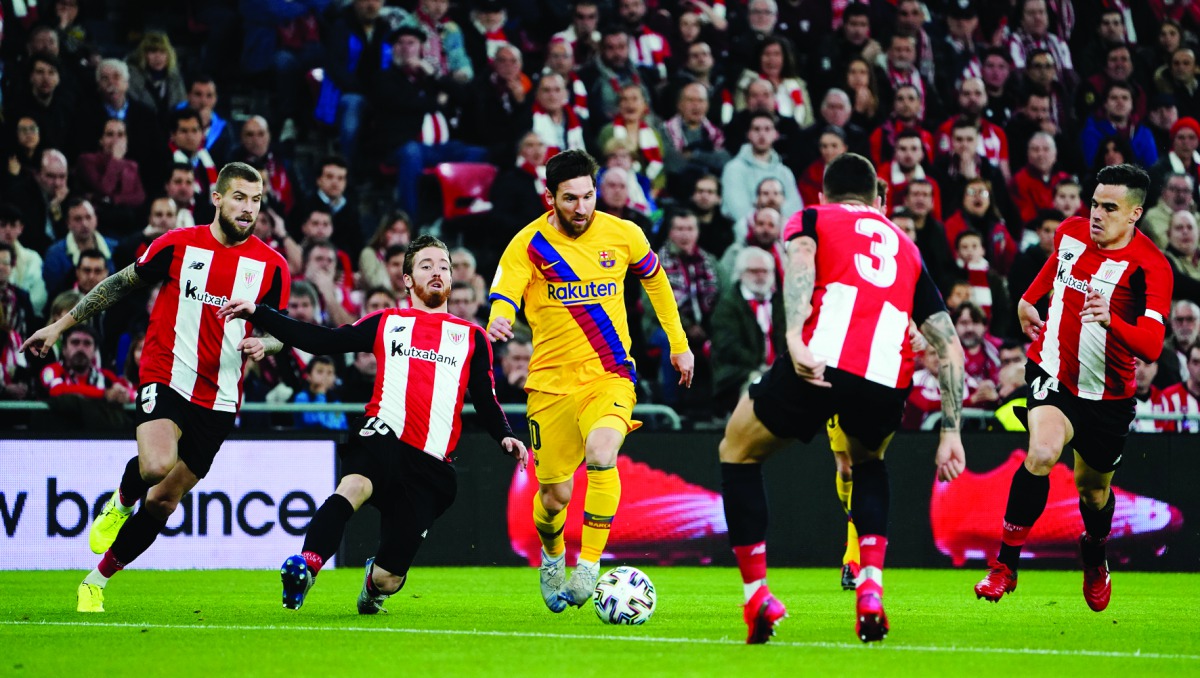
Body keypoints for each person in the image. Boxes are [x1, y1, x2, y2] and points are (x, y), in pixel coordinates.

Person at [717, 152, 966, 644]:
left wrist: (792, 335)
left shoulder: (811, 216)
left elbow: (803, 264)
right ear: (878, 200)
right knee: (869, 462)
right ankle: (870, 588)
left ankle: (757, 595)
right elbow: (950, 345)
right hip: (886, 376)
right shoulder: (907, 247)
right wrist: (951, 431)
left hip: (821, 360)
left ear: (822, 194)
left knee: (736, 451)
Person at [21, 162, 291, 613]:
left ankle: (95, 582)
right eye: (240, 197)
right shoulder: (178, 245)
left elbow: (281, 331)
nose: (248, 208)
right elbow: (118, 284)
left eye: (256, 200)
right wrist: (60, 326)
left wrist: (265, 343)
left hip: (221, 395)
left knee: (165, 500)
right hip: (167, 373)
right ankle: (121, 500)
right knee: (155, 466)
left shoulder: (272, 266)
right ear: (217, 198)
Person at [218, 234, 526, 613]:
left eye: (443, 267)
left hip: (430, 464)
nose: (437, 272)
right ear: (408, 280)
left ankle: (372, 586)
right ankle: (307, 566)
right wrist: (260, 313)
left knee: (389, 578)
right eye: (426, 265)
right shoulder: (387, 322)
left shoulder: (473, 338)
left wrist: (506, 436)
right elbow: (323, 341)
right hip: (383, 435)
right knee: (354, 486)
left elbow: (485, 398)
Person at [486, 149, 694, 613]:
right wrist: (500, 318)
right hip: (550, 386)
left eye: (588, 196)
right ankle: (553, 554)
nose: (582, 208)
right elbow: (504, 291)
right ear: (550, 198)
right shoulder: (528, 244)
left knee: (603, 454)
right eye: (571, 199)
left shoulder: (623, 234)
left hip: (610, 375)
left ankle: (590, 566)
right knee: (554, 498)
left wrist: (678, 343)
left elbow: (657, 283)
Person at [974, 164, 1174, 613]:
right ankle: (1005, 565)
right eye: (1094, 204)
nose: (1096, 215)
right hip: (1053, 371)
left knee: (1093, 491)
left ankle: (1095, 553)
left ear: (1134, 214)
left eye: (1109, 208)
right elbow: (1055, 269)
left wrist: (1113, 321)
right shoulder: (1070, 232)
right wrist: (1028, 299)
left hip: (1109, 394)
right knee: (1042, 452)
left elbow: (1154, 345)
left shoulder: (1152, 268)